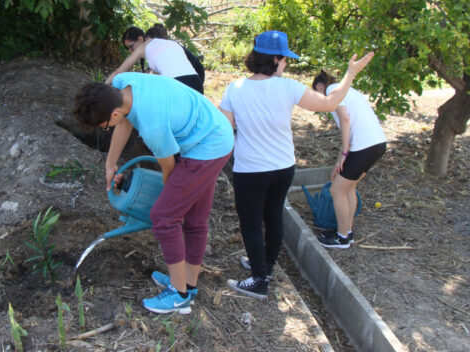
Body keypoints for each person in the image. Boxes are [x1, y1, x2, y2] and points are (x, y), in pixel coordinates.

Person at [219, 30, 374, 299]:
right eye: (286, 59)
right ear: (275, 59)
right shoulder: (288, 86)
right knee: (273, 216)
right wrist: (350, 74)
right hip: (283, 167)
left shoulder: (234, 89)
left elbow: (224, 130)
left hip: (250, 169)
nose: (287, 63)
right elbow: (330, 103)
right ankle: (265, 267)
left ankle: (258, 280)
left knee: (252, 223)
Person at [73, 72, 233, 314]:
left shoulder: (153, 126)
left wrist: (171, 203)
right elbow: (125, 120)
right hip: (213, 130)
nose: (108, 128)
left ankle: (178, 296)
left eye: (104, 126)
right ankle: (187, 285)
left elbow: (169, 169)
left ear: (113, 114)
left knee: (164, 217)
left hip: (207, 147)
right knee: (194, 219)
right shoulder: (122, 84)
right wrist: (110, 163)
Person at [311, 70, 387, 248]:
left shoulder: (332, 91)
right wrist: (342, 158)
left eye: (316, 93)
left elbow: (345, 119)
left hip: (363, 146)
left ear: (320, 87)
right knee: (349, 187)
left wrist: (344, 154)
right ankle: (346, 231)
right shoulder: (347, 90)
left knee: (337, 190)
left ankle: (342, 237)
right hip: (376, 144)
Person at [105, 25, 204, 94]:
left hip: (178, 84)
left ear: (140, 39)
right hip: (196, 82)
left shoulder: (142, 47)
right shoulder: (167, 43)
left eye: (131, 47)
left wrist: (104, 86)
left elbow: (119, 72)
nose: (131, 51)